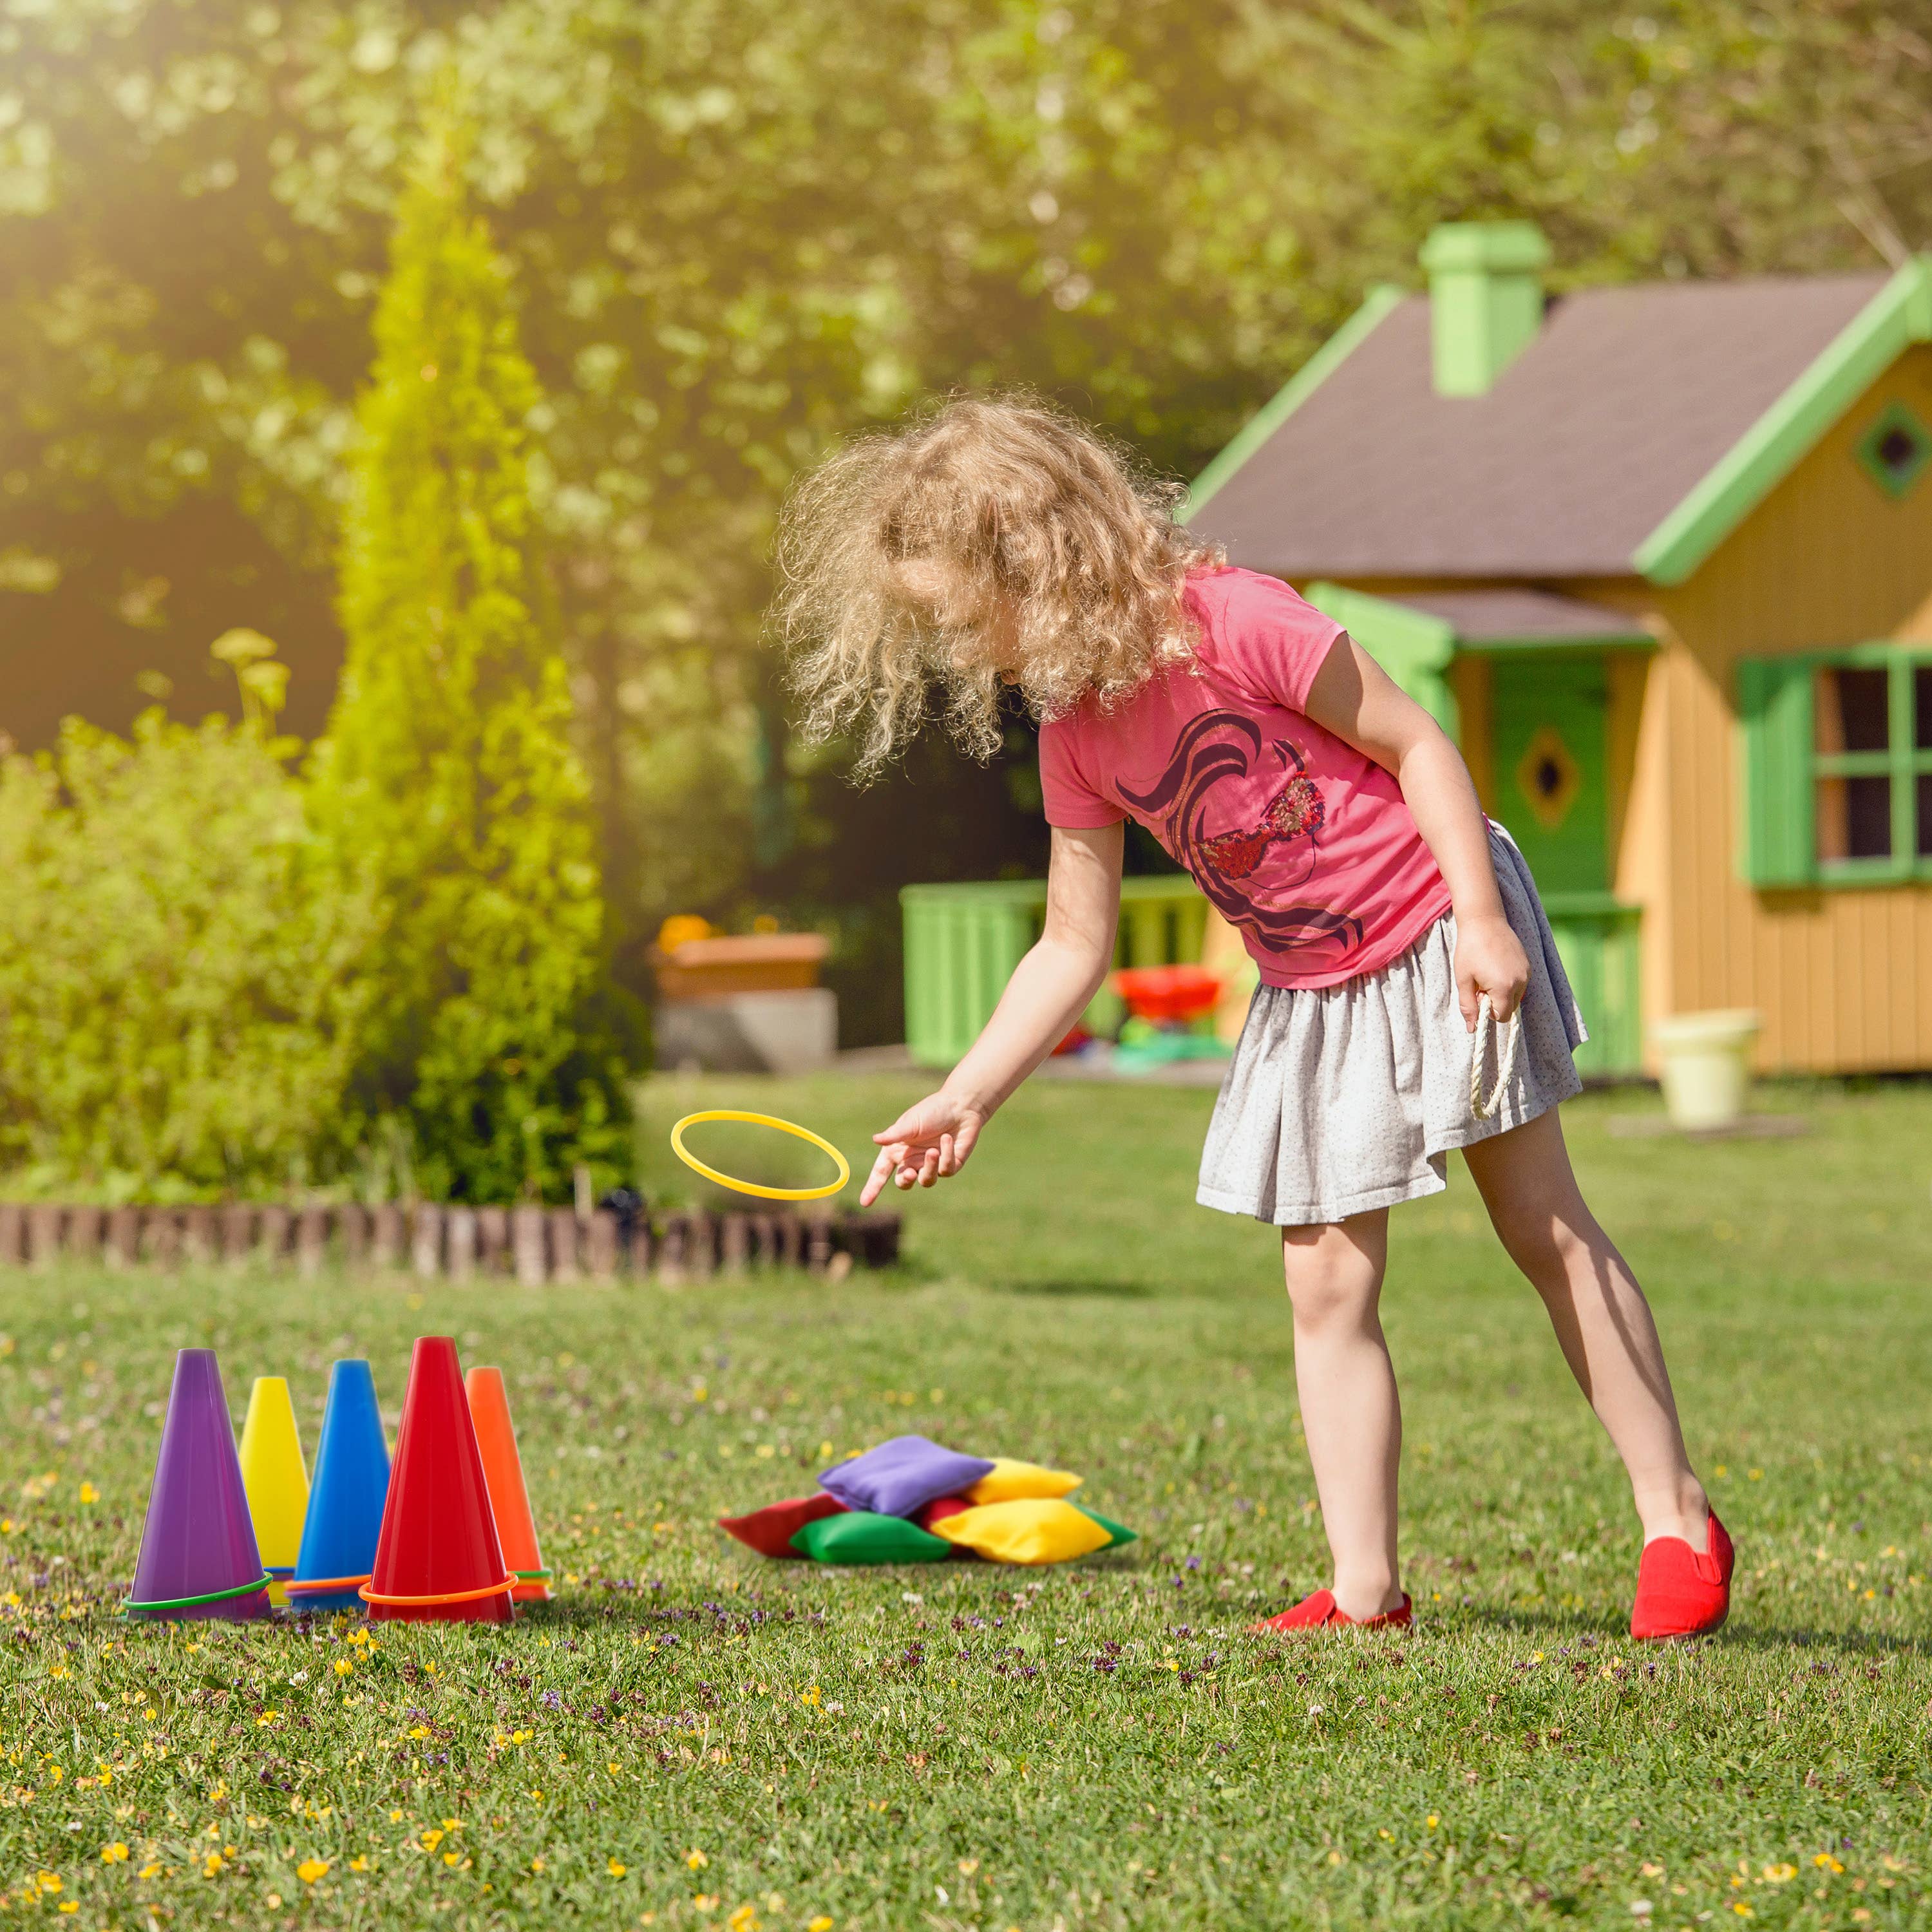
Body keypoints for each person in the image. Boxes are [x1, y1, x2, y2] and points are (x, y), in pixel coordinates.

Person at [774, 393, 1730, 1641]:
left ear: (1039, 559)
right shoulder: (1075, 734)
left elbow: (1419, 746)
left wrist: (1484, 921)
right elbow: (1072, 943)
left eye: (966, 618)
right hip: (1312, 989)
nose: (966, 654)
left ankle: (1677, 1519)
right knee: (1325, 1287)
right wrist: (966, 1092)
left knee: (1541, 1224)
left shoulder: (1235, 621)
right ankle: (1366, 1590)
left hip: (1438, 928)